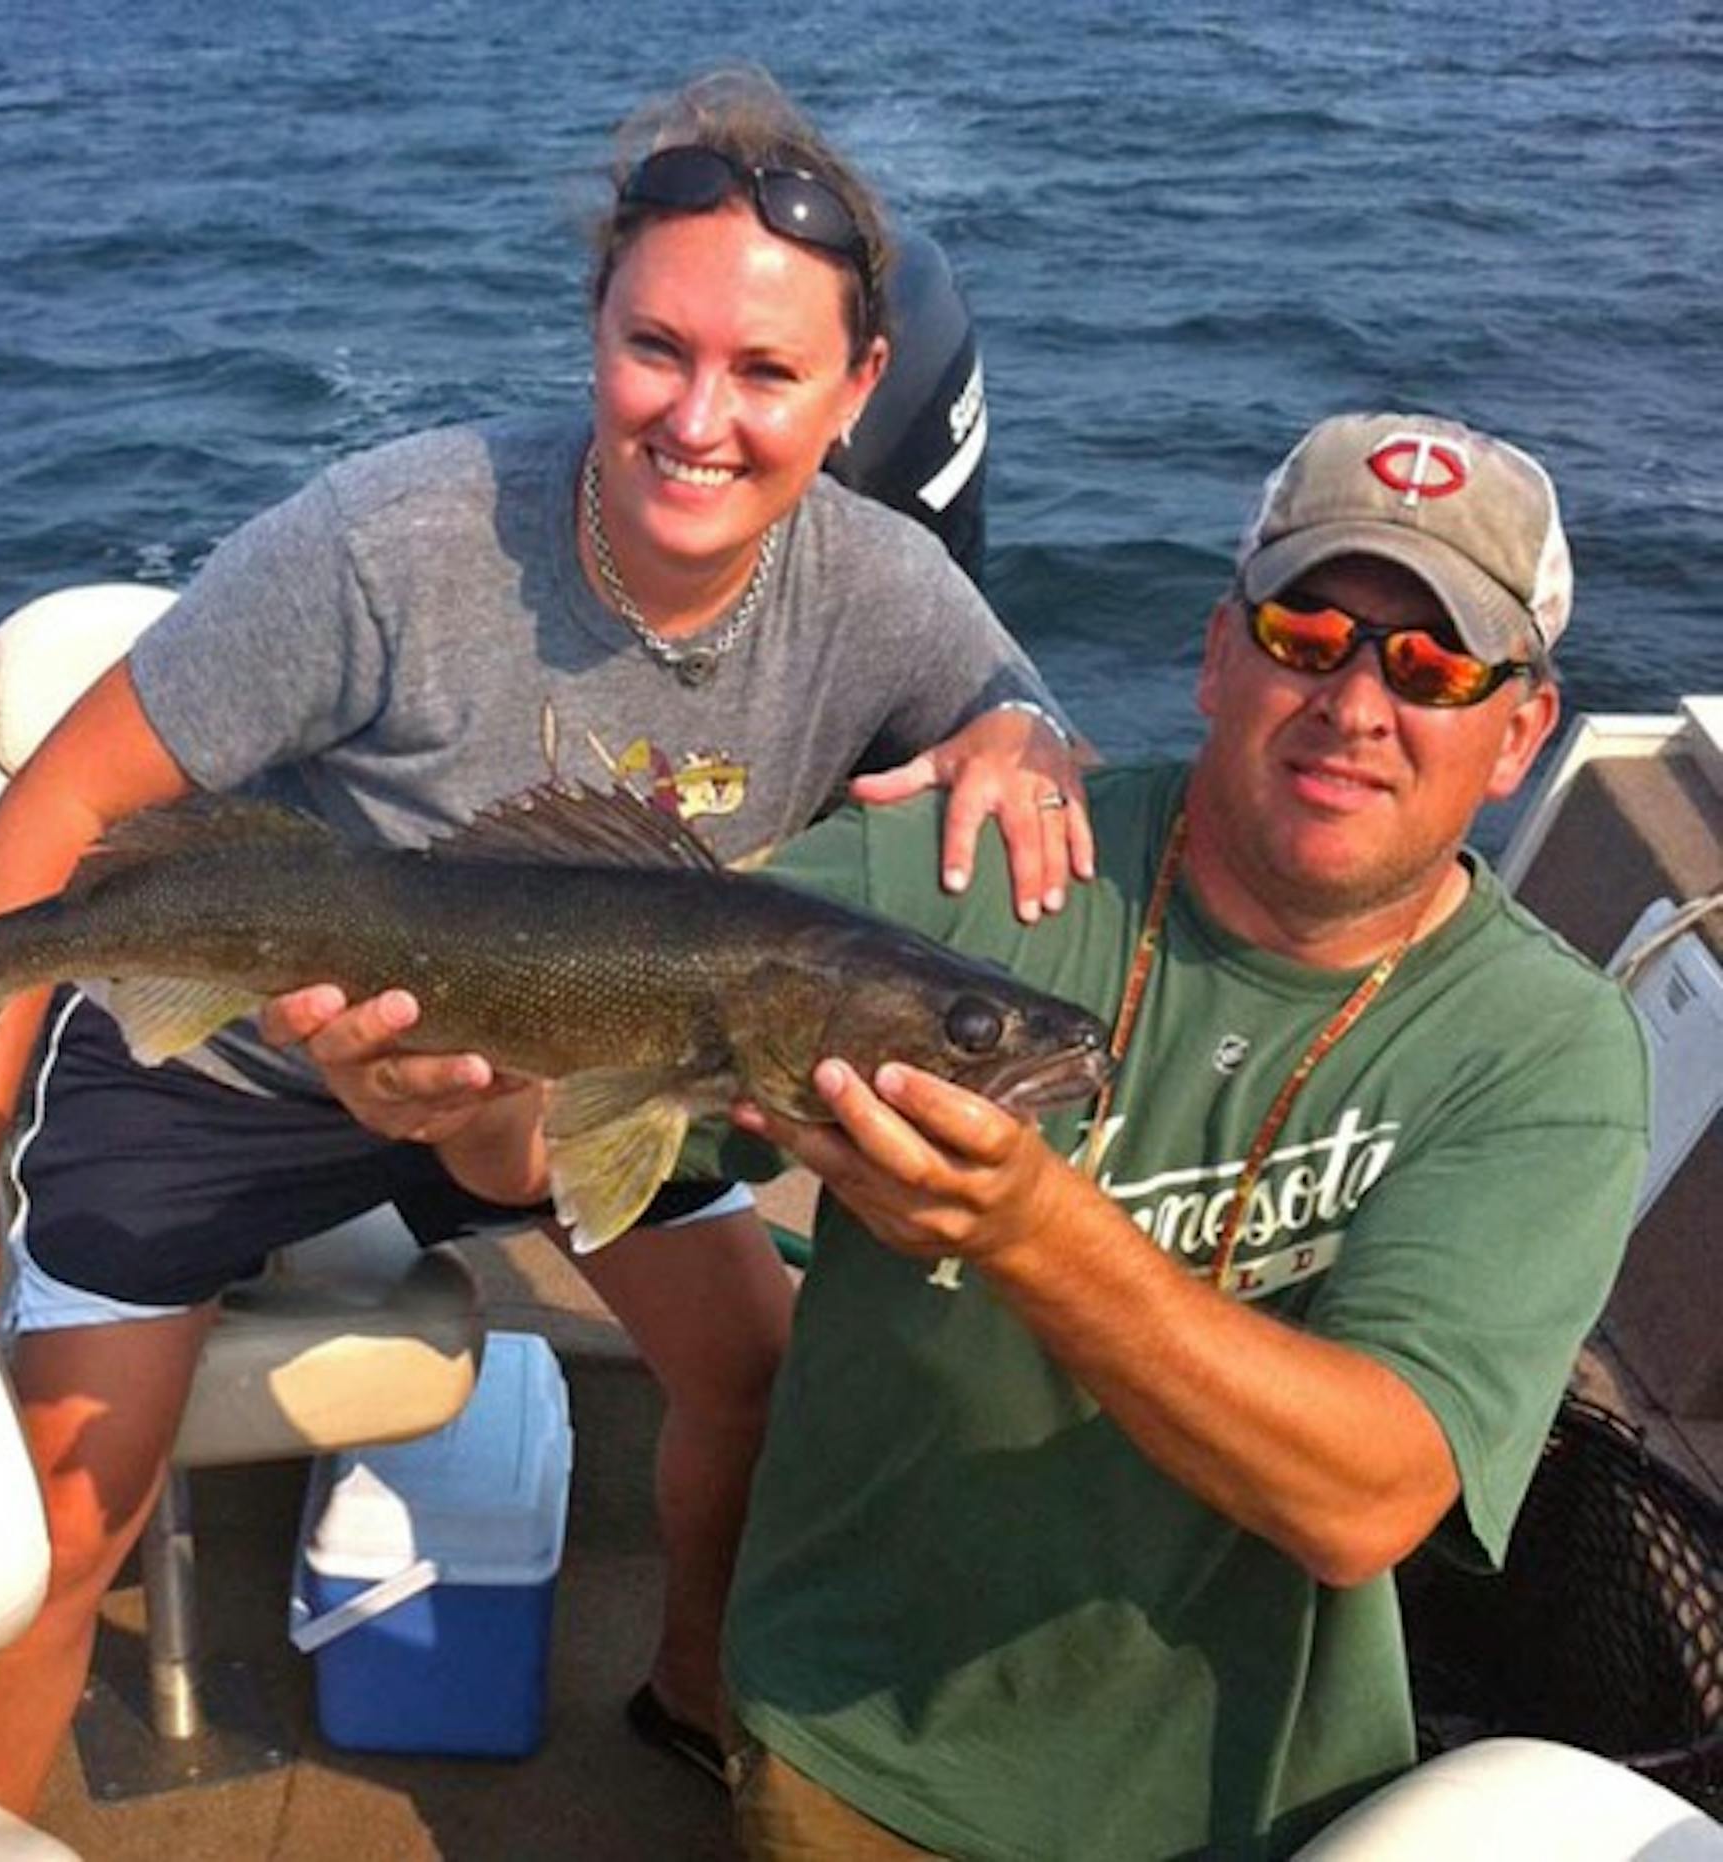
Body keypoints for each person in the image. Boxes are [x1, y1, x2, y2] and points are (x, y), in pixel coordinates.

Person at [0, 67, 1093, 1815]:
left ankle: (696, 1703)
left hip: (577, 1071)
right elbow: (65, 797)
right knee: (61, 1516)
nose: (700, 417)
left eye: (767, 371)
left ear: (861, 386)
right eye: (657, 349)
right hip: (238, 1066)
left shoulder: (884, 587)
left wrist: (1027, 732)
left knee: (756, 1374)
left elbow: (1014, 711)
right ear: (594, 329)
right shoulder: (386, 540)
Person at [283, 411, 1652, 1857]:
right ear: (1217, 655)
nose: (1357, 703)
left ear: (1519, 734)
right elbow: (542, 1152)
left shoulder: (1542, 1049)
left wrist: (1029, 1231)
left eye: (1434, 667)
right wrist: (456, 1108)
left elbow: (1366, 1501)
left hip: (1252, 1805)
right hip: (856, 1748)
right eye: (1307, 634)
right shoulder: (961, 864)